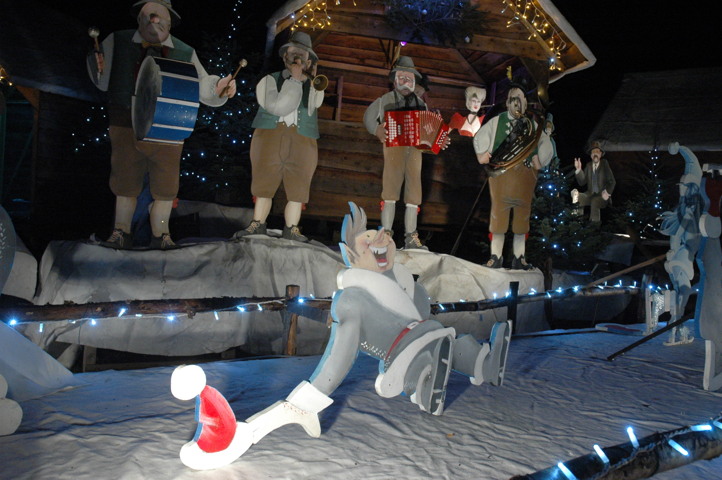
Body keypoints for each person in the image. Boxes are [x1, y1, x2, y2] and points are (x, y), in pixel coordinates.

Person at [170, 202, 512, 470]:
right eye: (368, 240)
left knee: (448, 340)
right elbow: (342, 351)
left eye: (381, 233)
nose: (381, 239)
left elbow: (424, 316)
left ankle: (485, 363)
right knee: (430, 346)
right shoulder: (353, 298)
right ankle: (423, 381)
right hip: (401, 355)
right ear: (352, 257)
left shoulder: (410, 290)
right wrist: (313, 396)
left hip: (430, 337)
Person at [87, 0, 236, 249]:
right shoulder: (117, 41)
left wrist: (218, 88)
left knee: (166, 185)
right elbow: (101, 80)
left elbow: (202, 85)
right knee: (125, 181)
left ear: (170, 20)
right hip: (126, 123)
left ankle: (161, 234)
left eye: (159, 16)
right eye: (148, 15)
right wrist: (96, 66)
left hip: (169, 126)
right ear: (138, 19)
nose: (153, 20)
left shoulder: (185, 51)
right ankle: (121, 232)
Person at [231, 31, 323, 243]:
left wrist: (307, 78)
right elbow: (276, 105)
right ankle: (257, 224)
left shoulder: (314, 84)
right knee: (264, 179)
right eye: (293, 54)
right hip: (269, 135)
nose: (297, 58)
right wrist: (294, 80)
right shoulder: (268, 81)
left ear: (309, 61)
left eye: (303, 55)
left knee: (299, 185)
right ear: (285, 57)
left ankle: (292, 229)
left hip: (302, 140)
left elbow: (315, 103)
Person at [473, 82, 553, 270]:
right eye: (513, 100)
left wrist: (539, 161)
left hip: (525, 177)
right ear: (508, 103)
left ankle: (519, 257)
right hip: (501, 176)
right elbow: (481, 138)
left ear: (526, 104)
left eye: (520, 100)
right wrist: (482, 154)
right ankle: (496, 256)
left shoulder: (533, 126)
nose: (517, 104)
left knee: (521, 217)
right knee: (498, 215)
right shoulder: (496, 122)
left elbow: (545, 145)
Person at [363, 56, 434, 250]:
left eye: (409, 79)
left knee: (414, 191)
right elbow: (368, 117)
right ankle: (385, 234)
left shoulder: (422, 104)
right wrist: (377, 130)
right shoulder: (384, 100)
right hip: (394, 149)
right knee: (391, 188)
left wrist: (435, 140)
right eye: (402, 78)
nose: (405, 83)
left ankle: (411, 236)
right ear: (395, 80)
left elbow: (428, 130)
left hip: (414, 153)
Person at [571, 140, 616, 223]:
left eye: (597, 152)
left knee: (595, 201)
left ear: (601, 154)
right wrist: (578, 170)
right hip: (590, 194)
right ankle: (576, 223)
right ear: (591, 155)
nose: (595, 154)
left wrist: (607, 192)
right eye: (593, 152)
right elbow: (582, 182)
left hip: (602, 196)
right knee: (577, 196)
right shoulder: (588, 166)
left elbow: (612, 181)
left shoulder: (604, 164)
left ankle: (594, 228)